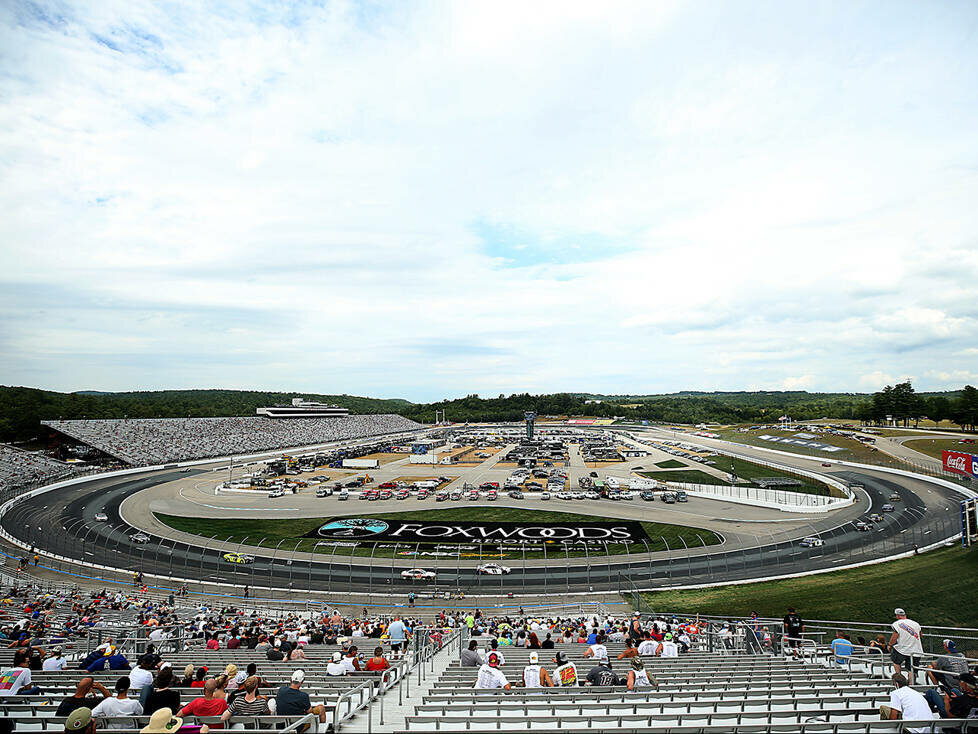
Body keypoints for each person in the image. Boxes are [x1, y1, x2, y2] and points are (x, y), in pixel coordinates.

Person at [889, 608, 923, 683]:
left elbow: (895, 636)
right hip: (916, 649)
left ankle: (899, 679)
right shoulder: (916, 623)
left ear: (897, 616)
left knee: (896, 662)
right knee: (912, 669)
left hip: (902, 649)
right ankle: (911, 683)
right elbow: (920, 635)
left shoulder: (896, 624)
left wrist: (890, 644)